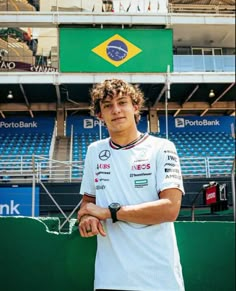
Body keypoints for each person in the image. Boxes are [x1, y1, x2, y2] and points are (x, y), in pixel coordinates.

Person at [77, 78, 185, 291]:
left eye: (122, 102)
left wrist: (109, 212)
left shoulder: (162, 148)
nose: (116, 110)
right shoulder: (95, 151)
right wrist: (88, 217)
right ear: (100, 114)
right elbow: (87, 204)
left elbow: (170, 209)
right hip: (110, 280)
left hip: (159, 279)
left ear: (135, 107)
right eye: (108, 105)